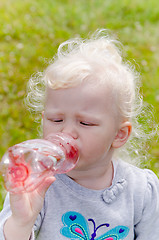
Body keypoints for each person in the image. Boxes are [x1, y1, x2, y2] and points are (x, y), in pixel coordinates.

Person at [0, 29, 159, 240]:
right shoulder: (36, 185)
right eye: (56, 120)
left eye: (85, 122)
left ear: (119, 134)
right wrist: (21, 222)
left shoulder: (141, 191)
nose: (66, 132)